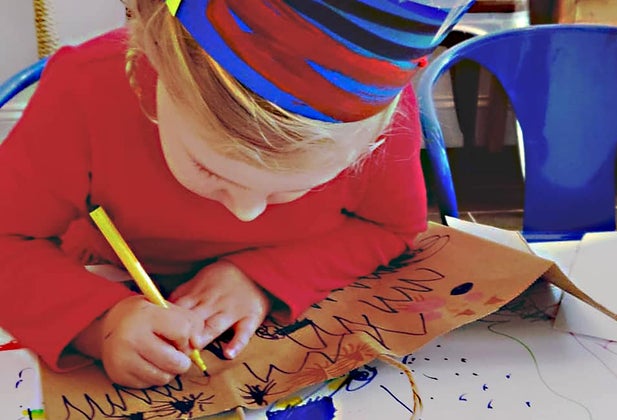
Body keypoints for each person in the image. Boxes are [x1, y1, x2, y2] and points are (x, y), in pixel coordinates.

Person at [0, 0, 470, 388]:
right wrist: (99, 323)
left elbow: (391, 227)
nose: (246, 213)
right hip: (107, 280)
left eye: (295, 189)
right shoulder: (85, 91)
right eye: (207, 169)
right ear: (155, 63)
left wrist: (262, 277)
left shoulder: (378, 114)